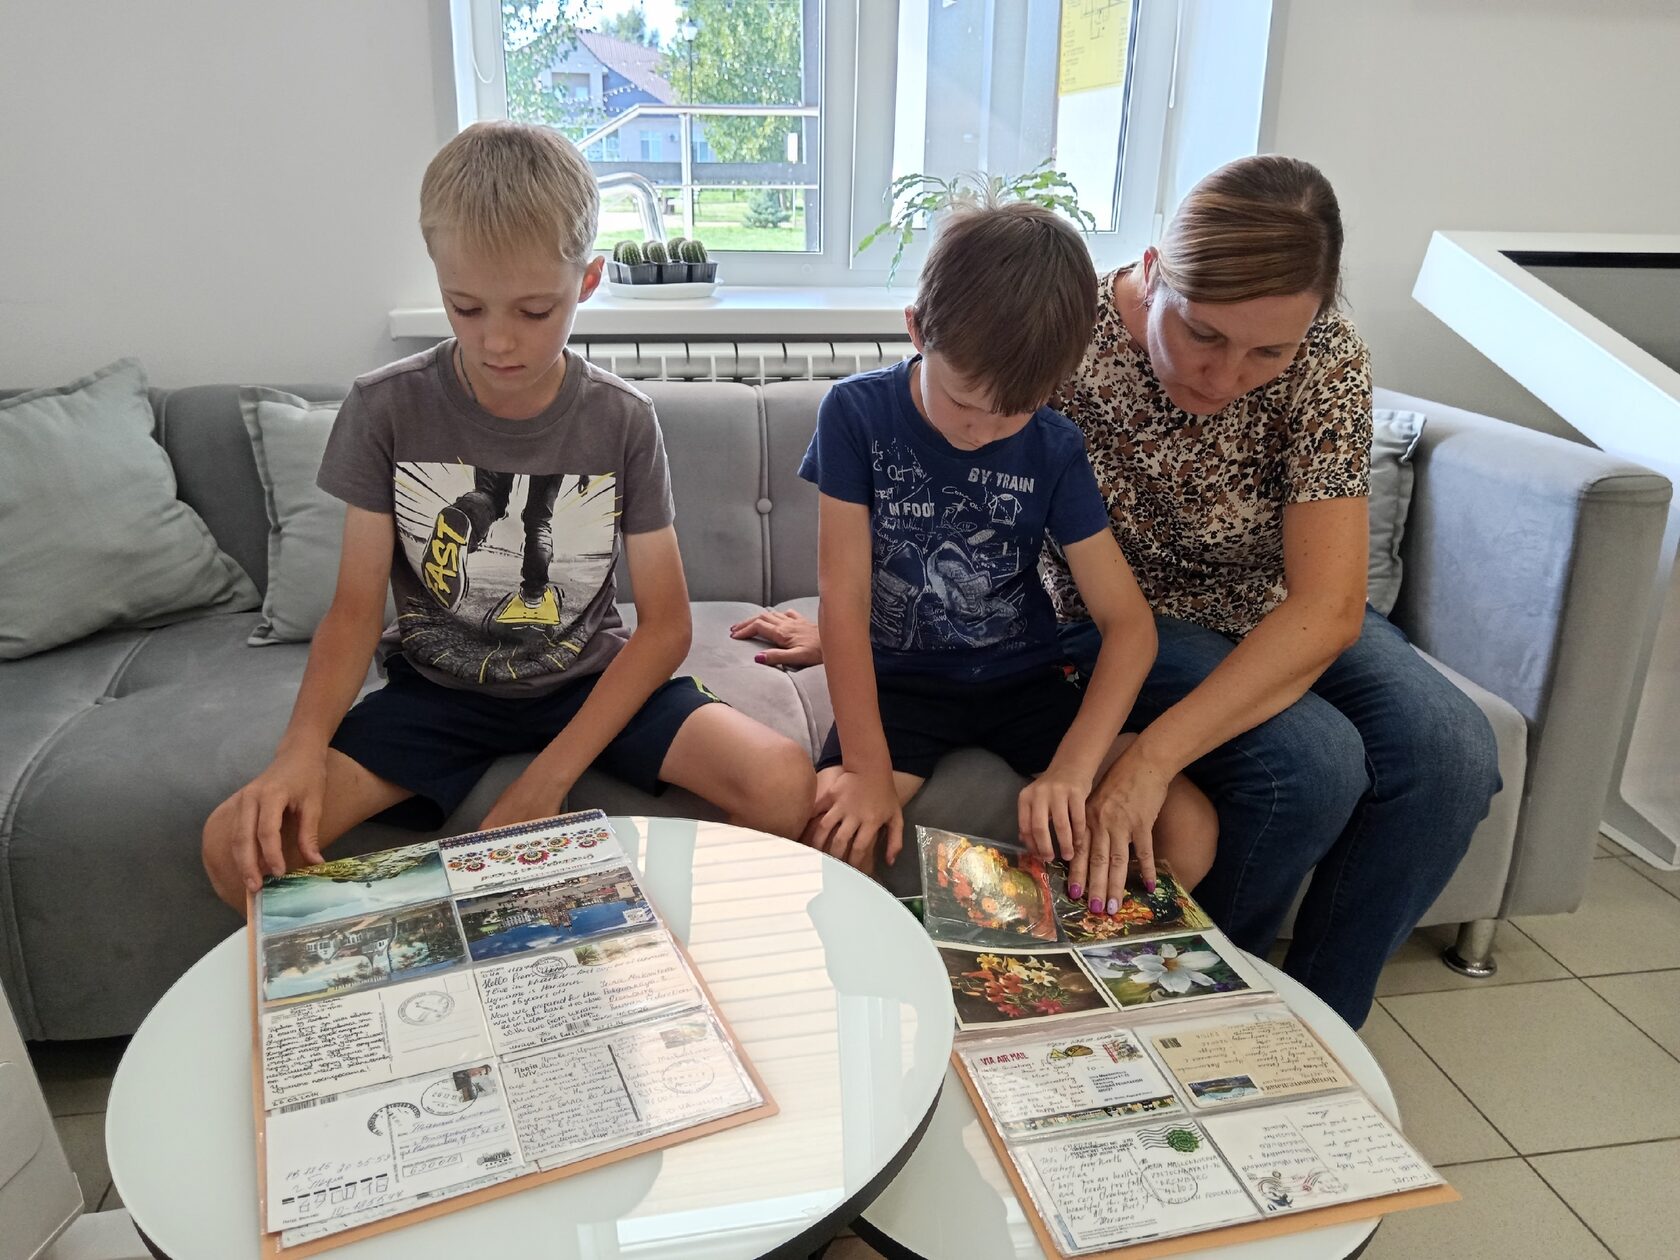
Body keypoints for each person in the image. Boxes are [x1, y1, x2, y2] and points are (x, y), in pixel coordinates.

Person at [735, 156, 1499, 1028]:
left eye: (1268, 353)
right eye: (1204, 335)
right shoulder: (1062, 330)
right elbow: (913, 486)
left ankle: (1308, 1020)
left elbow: (1324, 608)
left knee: (1451, 754)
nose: (1225, 377)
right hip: (1109, 625)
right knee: (1312, 766)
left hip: (1255, 611)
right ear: (1153, 271)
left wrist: (1140, 762)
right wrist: (854, 633)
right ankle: (1209, 994)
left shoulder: (1320, 356)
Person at [202, 122, 815, 908]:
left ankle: (650, 945)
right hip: (439, 693)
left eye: (533, 310)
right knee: (234, 847)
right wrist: (298, 750)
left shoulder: (622, 419)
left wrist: (549, 777)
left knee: (782, 780)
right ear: (439, 277)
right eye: (465, 307)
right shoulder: (384, 409)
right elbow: (353, 612)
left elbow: (665, 627)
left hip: (589, 682)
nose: (497, 342)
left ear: (587, 281)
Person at [798, 201, 1216, 890]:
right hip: (900, 687)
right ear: (916, 329)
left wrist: (1073, 770)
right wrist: (868, 770)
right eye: (963, 404)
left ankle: (1094, 950)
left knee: (1189, 827)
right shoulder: (855, 413)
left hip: (1025, 685)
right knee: (831, 837)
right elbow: (843, 598)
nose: (981, 432)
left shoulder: (1055, 446)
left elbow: (1129, 626)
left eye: (1015, 414)